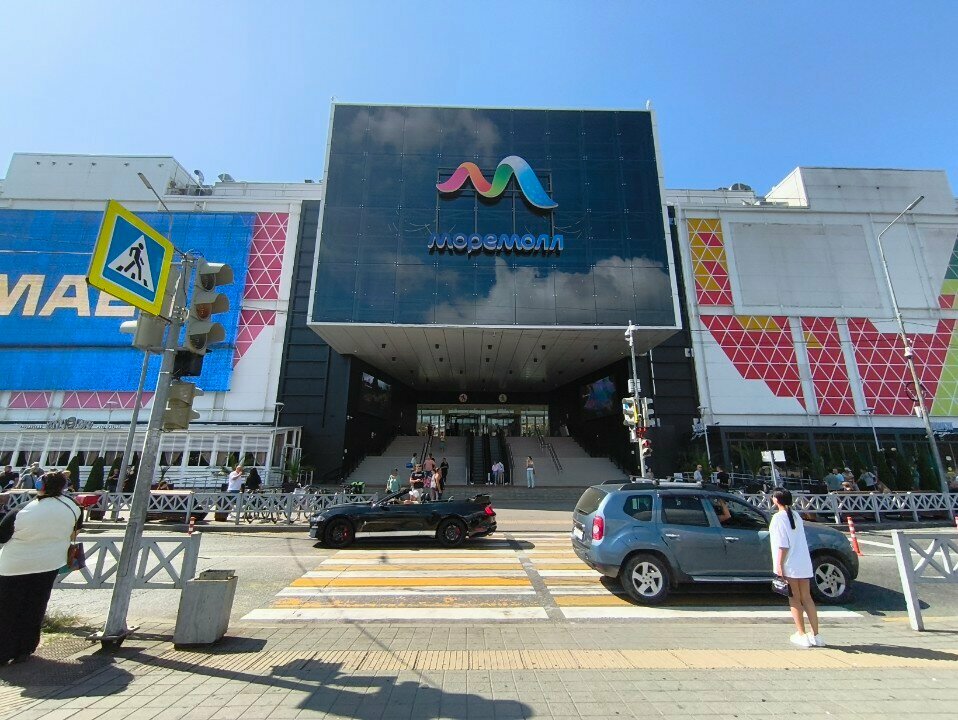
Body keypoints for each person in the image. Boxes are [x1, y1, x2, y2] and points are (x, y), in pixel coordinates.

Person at [0, 471, 82, 665]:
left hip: (14, 565)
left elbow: (2, 535)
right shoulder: (73, 507)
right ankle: (25, 648)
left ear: (40, 486)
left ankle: (3, 651)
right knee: (35, 605)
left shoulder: (24, 509)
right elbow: (76, 529)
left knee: (7, 609)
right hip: (49, 563)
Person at [769, 487, 821, 649]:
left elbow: (782, 545)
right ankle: (816, 635)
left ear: (776, 500)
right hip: (803, 562)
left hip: (789, 563)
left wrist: (779, 565)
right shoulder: (796, 515)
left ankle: (801, 634)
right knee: (807, 598)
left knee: (794, 599)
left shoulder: (778, 518)